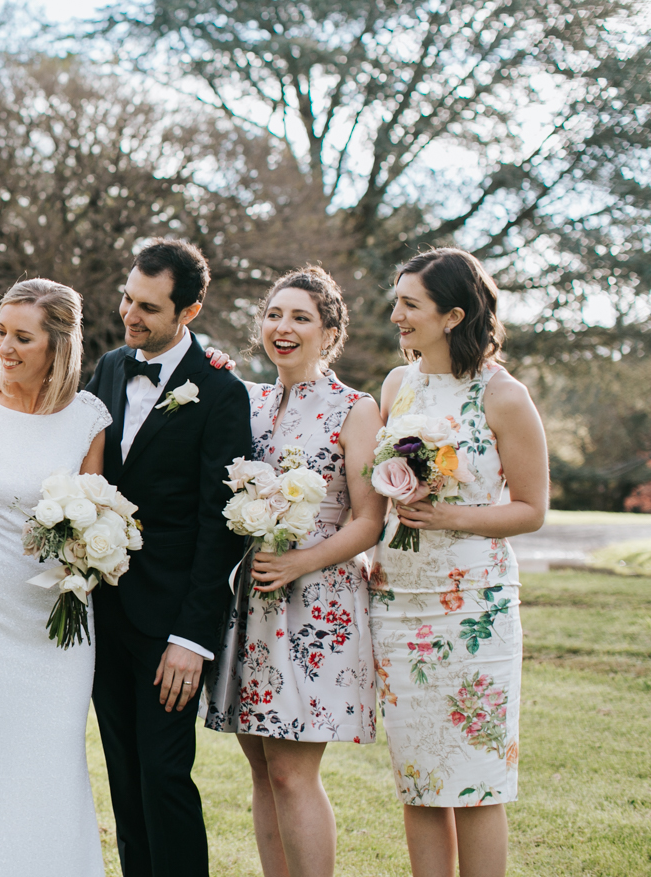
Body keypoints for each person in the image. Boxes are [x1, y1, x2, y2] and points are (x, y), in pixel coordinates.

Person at [202, 266, 386, 877]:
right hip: (251, 602)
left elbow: (369, 521)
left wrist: (299, 562)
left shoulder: (354, 409)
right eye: (275, 315)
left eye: (301, 317)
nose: (283, 328)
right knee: (261, 767)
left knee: (292, 768)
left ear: (329, 333)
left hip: (317, 604)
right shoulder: (246, 400)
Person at [370, 248, 546, 877]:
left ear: (453, 315)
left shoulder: (504, 396)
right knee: (419, 779)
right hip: (396, 605)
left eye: (409, 305)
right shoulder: (398, 385)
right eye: (398, 301)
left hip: (474, 608)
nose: (396, 315)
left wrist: (449, 516)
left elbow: (530, 509)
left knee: (475, 782)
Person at [0, 279, 112, 876]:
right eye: (1, 331)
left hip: (57, 624)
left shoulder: (87, 417)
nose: (4, 346)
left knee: (55, 758)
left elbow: (97, 512)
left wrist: (93, 545)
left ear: (58, 344)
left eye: (22, 337)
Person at [83, 239, 252, 877]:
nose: (131, 314)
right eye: (128, 298)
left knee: (164, 776)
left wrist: (192, 636)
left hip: (170, 624)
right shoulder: (106, 370)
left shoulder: (220, 391)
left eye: (149, 307)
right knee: (125, 779)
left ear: (190, 310)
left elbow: (222, 527)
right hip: (103, 613)